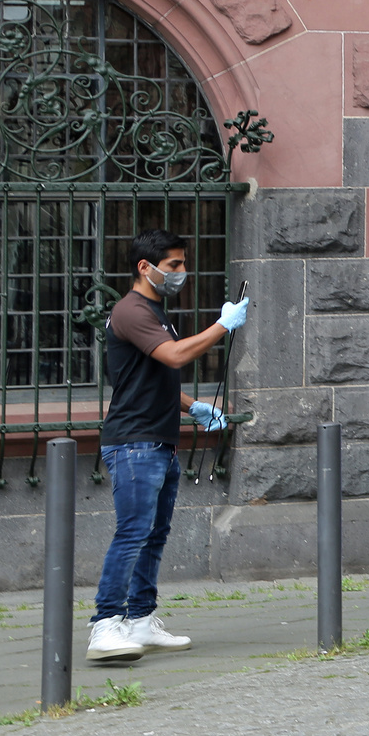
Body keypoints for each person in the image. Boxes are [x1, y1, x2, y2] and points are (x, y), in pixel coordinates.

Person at [86, 230, 251, 663]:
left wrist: (191, 405)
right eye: (174, 265)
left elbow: (145, 379)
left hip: (156, 440)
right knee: (134, 533)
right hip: (134, 444)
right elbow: (175, 357)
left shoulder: (154, 312)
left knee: (154, 535)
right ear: (146, 267)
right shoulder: (132, 310)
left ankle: (140, 619)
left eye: (182, 263)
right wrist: (222, 325)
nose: (182, 272)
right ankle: (105, 626)